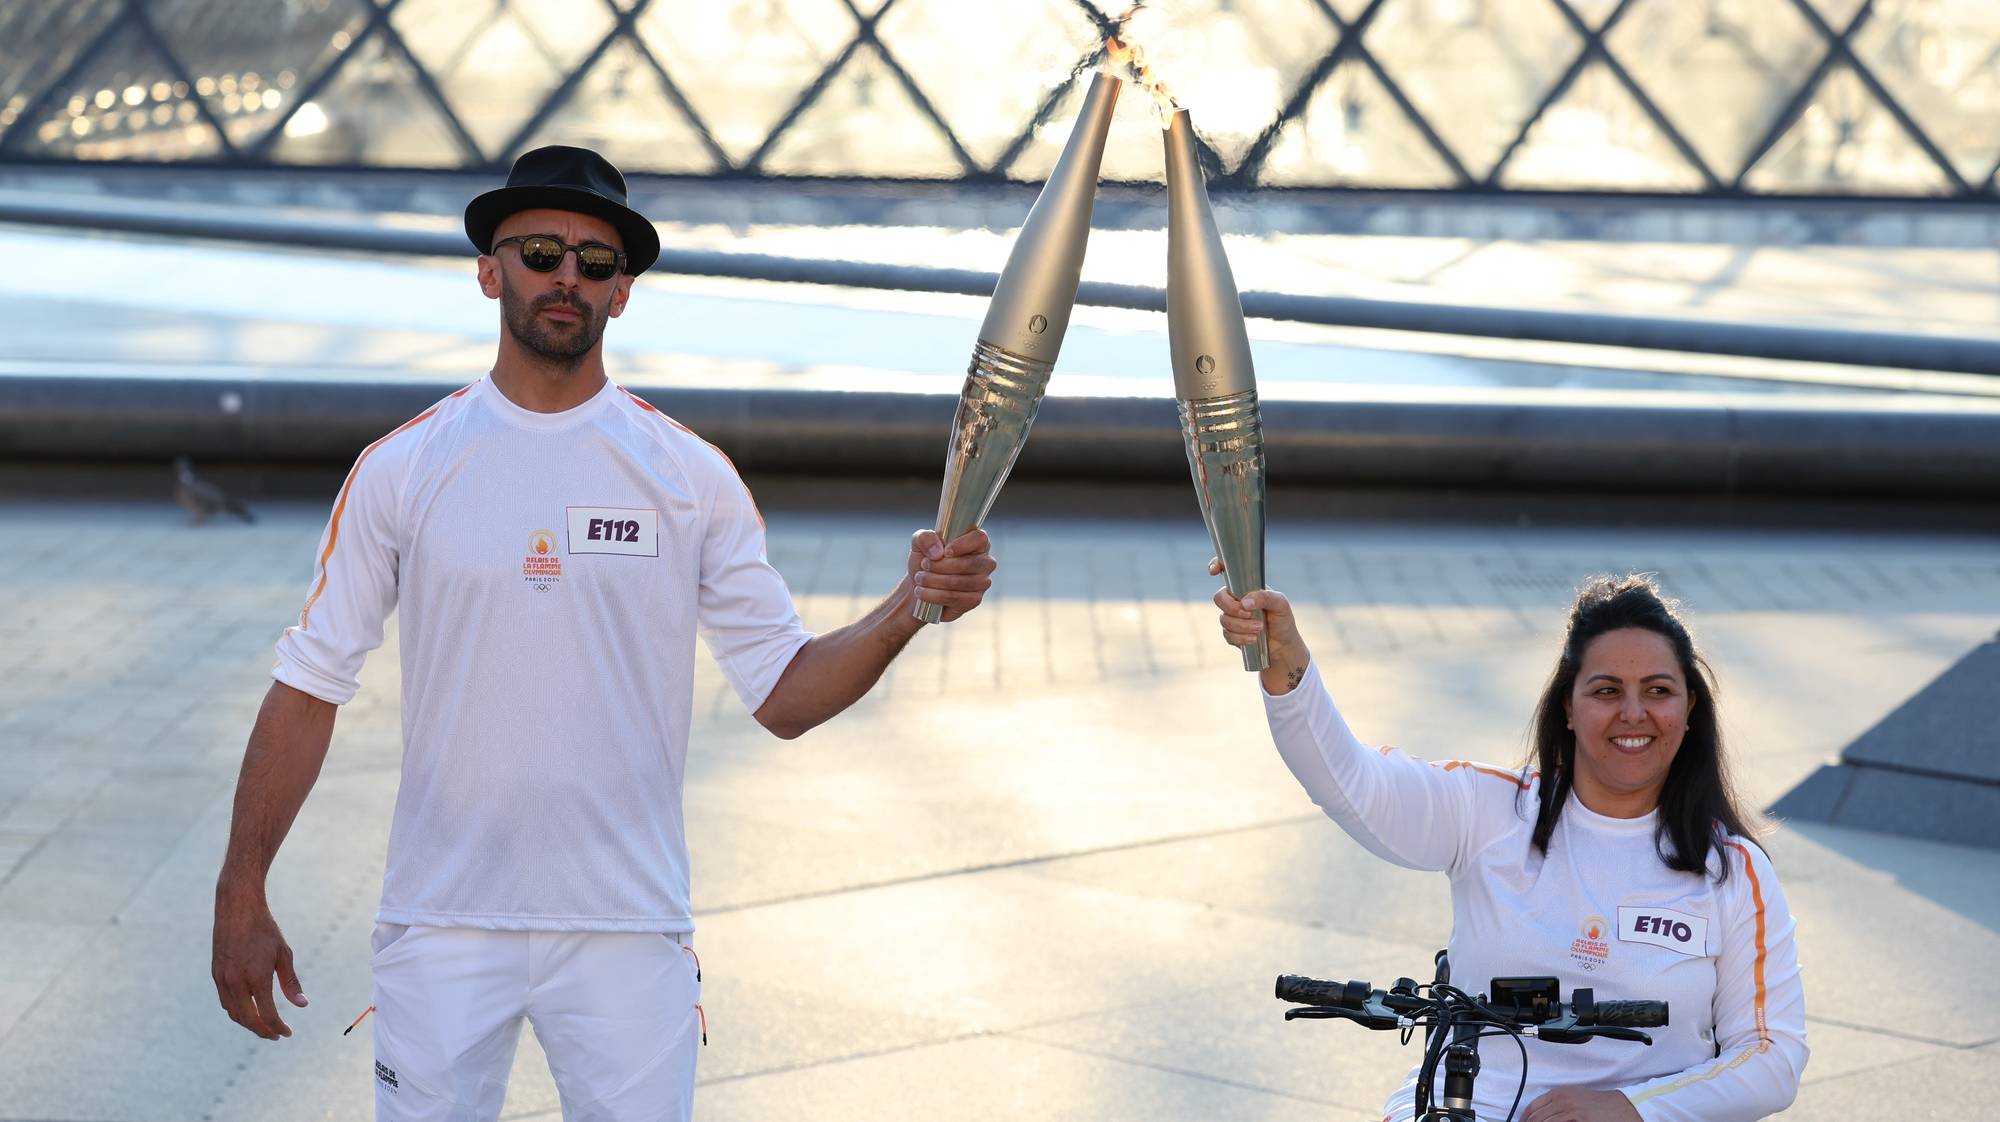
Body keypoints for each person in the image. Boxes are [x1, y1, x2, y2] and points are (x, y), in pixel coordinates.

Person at [210, 145, 996, 1122]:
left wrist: (907, 607)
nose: (566, 277)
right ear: (489, 270)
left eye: (596, 262)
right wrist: (240, 889)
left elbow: (785, 692)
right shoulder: (402, 469)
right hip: (442, 922)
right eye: (541, 251)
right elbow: (309, 685)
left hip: (629, 931)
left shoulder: (688, 476)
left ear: (621, 294)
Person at [1214, 568, 1806, 1122]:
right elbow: (1351, 784)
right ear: (1568, 709)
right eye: (1605, 691)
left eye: (1657, 690)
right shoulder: (1487, 808)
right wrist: (1286, 663)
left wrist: (1628, 1107)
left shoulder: (1732, 870)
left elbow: (1770, 1055)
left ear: (1689, 708)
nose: (1633, 713)